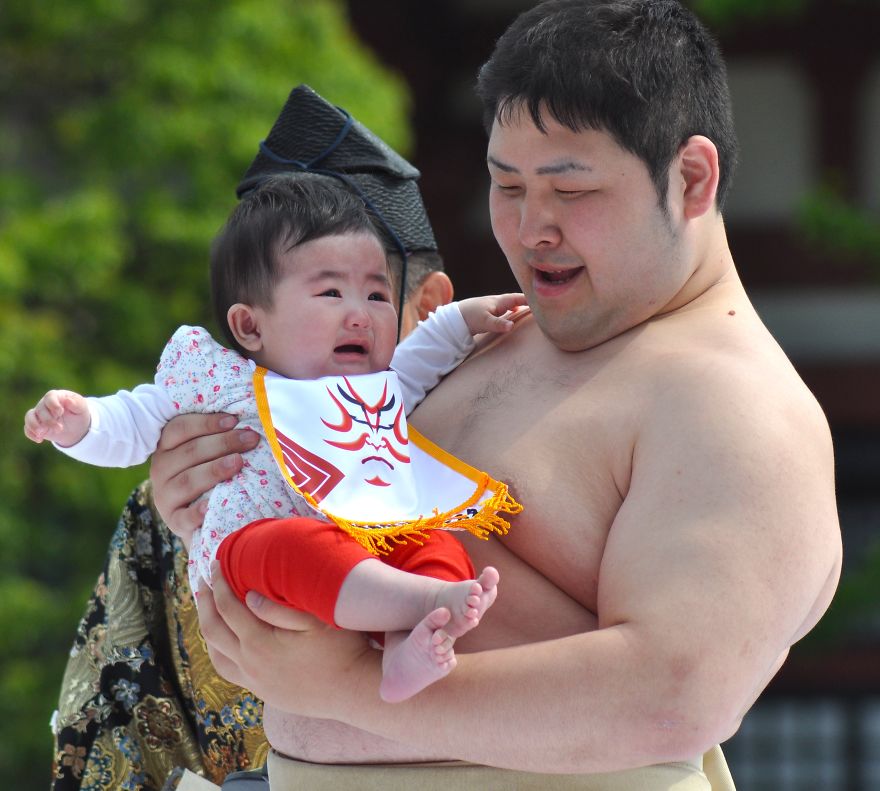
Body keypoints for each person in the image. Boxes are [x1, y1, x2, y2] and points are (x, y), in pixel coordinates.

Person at [155, 1, 842, 788]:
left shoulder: (736, 406)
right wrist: (208, 501)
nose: (530, 227)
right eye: (506, 185)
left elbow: (671, 694)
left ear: (689, 178)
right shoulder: (482, 336)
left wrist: (344, 690)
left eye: (570, 189)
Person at [48, 88, 474, 789]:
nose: (349, 320)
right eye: (316, 294)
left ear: (426, 307)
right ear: (251, 324)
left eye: (368, 294)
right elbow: (106, 752)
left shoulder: (490, 448)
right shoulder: (202, 471)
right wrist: (190, 528)